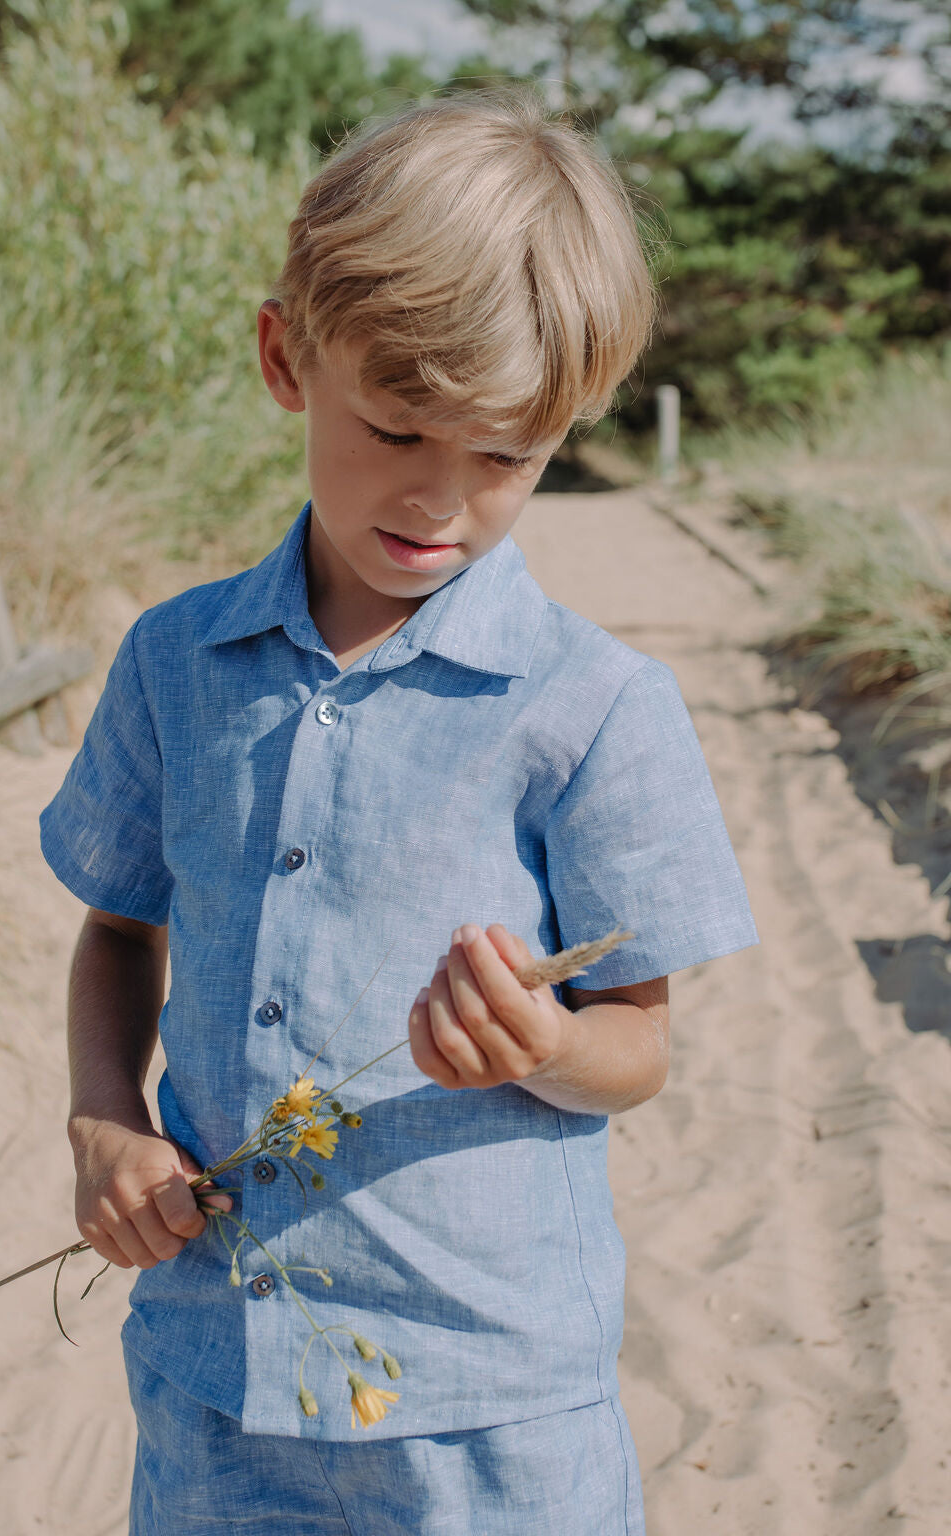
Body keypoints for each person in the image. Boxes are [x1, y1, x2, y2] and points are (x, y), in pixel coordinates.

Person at [40, 91, 758, 1535]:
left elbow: (641, 1042)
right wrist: (104, 1128)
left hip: (491, 1426)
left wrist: (549, 1043)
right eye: (398, 426)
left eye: (508, 456)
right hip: (215, 1395)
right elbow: (120, 928)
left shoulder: (597, 705)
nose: (443, 498)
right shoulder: (177, 665)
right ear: (284, 358)